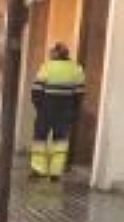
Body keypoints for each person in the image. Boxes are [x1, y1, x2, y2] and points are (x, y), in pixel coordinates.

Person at [29, 42, 86, 180]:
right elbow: (79, 93)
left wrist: (39, 106)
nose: (50, 54)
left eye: (52, 52)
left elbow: (36, 89)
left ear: (56, 53)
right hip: (66, 109)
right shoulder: (76, 69)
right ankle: (56, 173)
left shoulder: (47, 67)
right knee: (60, 141)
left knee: (40, 138)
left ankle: (38, 170)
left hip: (47, 107)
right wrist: (74, 110)